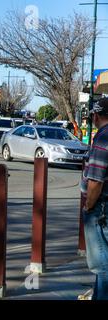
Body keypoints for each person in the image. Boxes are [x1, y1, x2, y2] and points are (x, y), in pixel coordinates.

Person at [81, 97, 108, 300]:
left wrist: (89, 207)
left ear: (96, 115)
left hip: (100, 209)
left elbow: (96, 182)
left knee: (102, 266)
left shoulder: (102, 139)